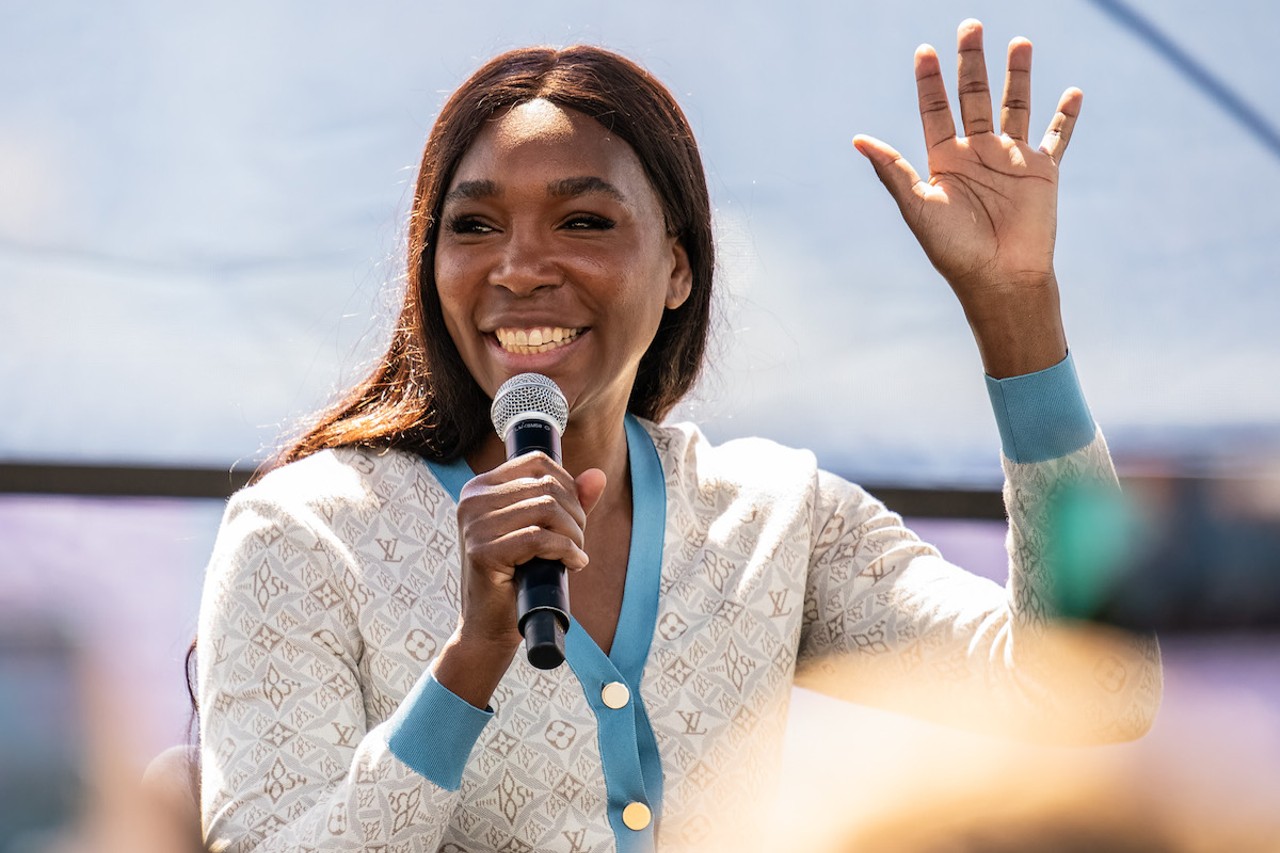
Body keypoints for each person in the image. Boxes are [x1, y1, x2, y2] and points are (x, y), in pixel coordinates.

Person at [196, 19, 1162, 852]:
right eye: (475, 226)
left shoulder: (776, 518)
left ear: (679, 269)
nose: (523, 265)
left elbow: (1095, 688)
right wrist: (470, 659)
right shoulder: (306, 535)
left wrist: (1016, 310)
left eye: (582, 219)